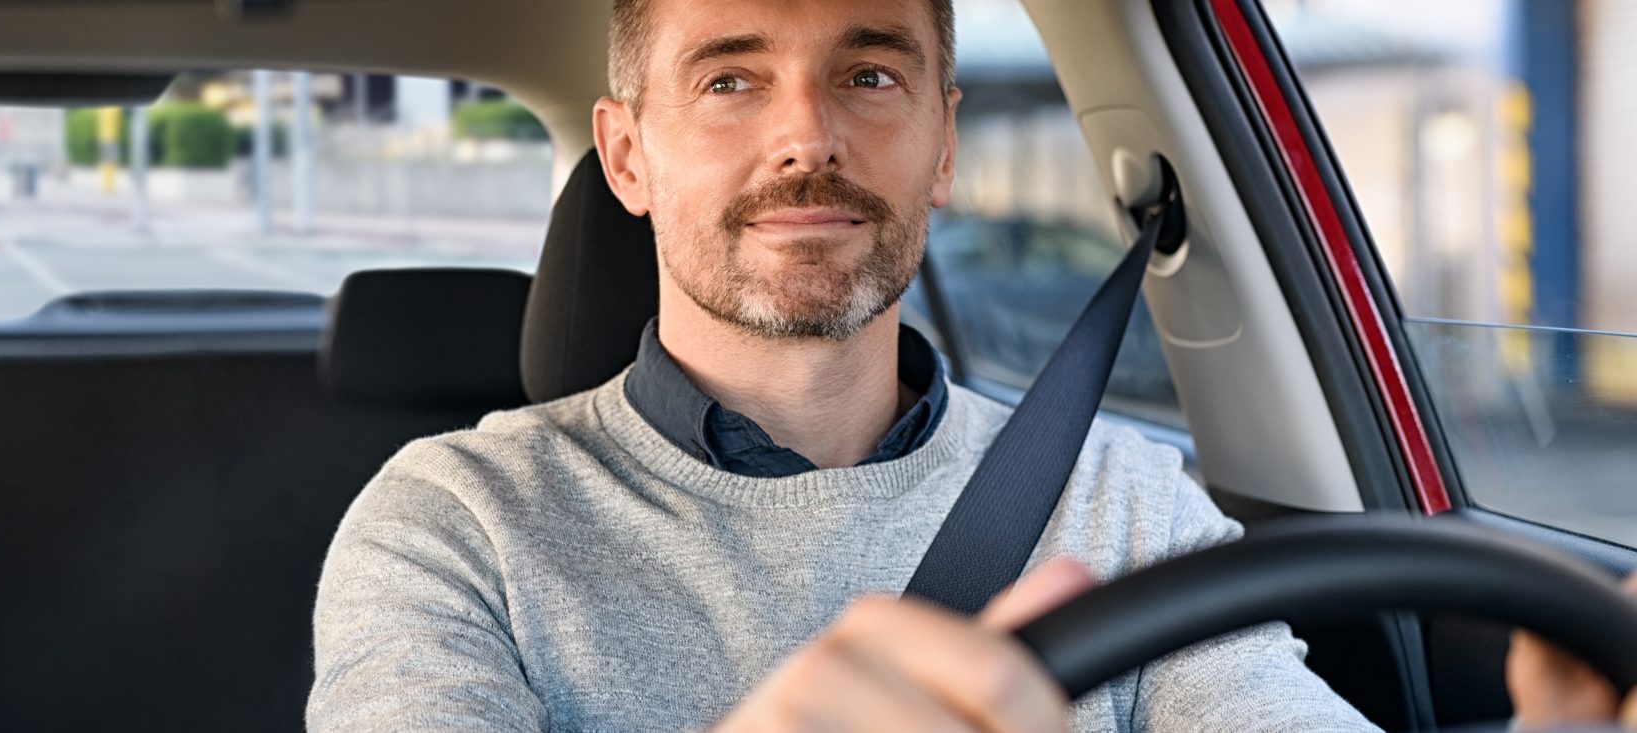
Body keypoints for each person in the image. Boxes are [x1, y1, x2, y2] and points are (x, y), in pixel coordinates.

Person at [306, 0, 1633, 730]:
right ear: (627, 155)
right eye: (731, 81)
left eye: (871, 74)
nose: (806, 137)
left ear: (943, 147)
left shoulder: (1126, 497)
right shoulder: (453, 522)